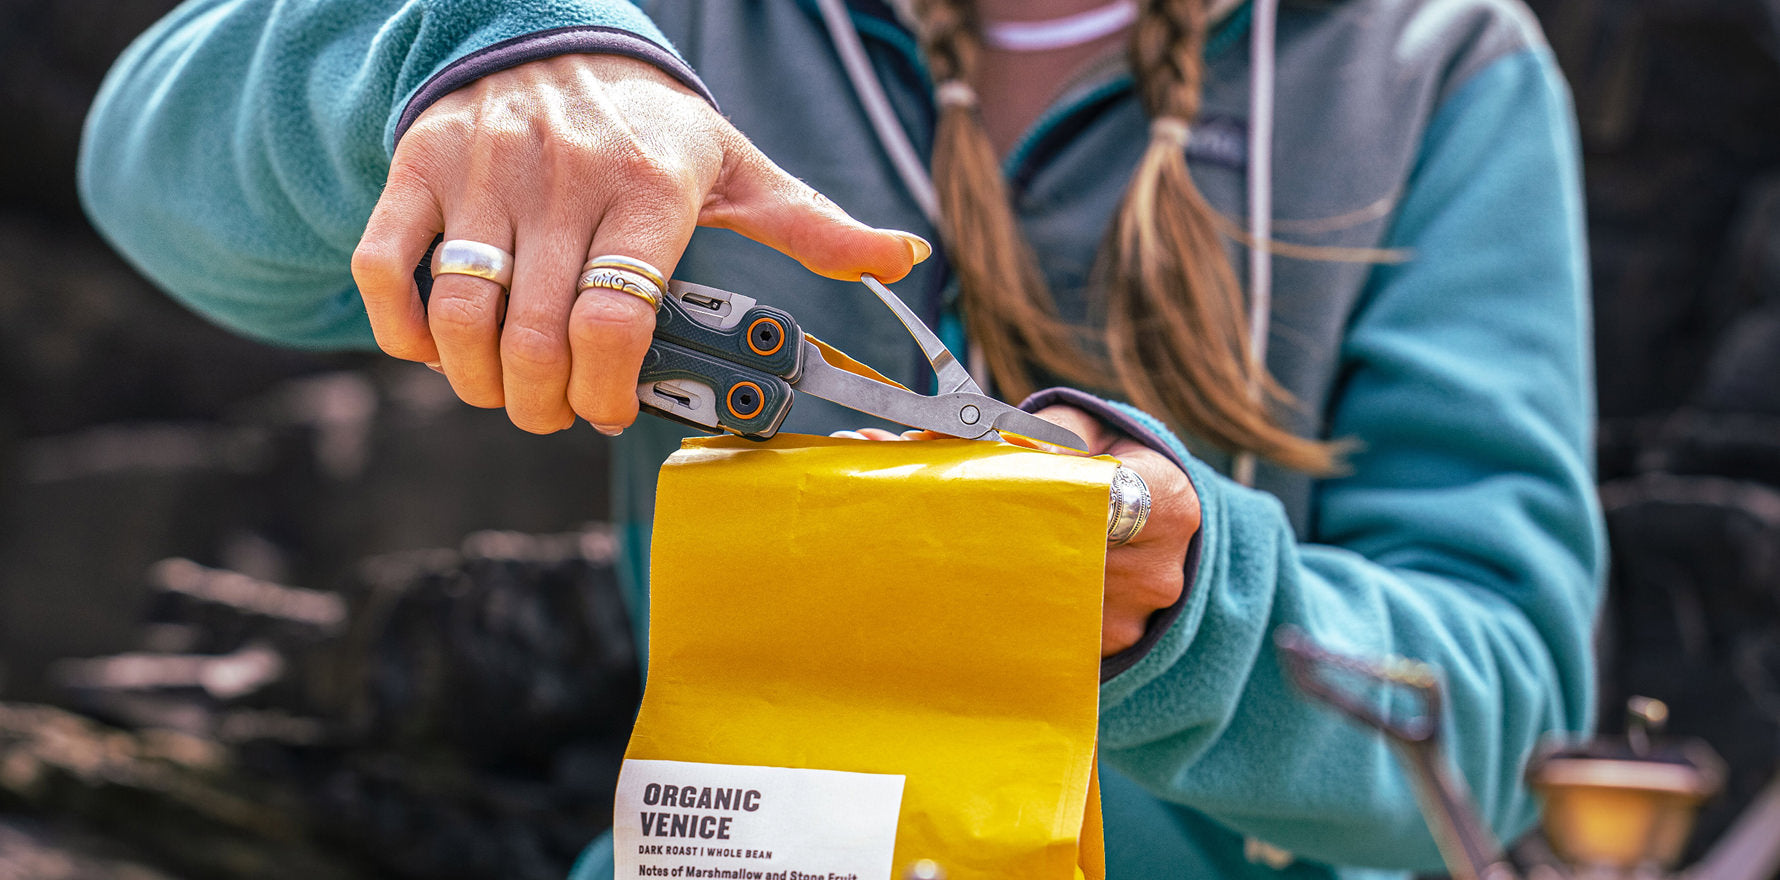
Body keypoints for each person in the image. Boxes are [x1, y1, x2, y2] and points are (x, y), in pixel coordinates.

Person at [78, 0, 1604, 877]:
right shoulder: (669, 13)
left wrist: (1188, 616)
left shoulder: (1433, 60)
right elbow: (148, 173)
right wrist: (490, 52)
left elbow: (1503, 714)